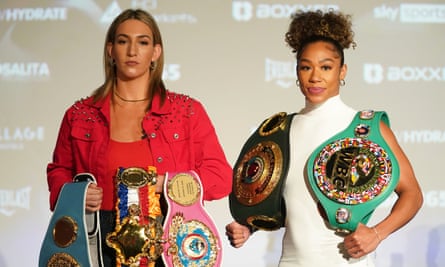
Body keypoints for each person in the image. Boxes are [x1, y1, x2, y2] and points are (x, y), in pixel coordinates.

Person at [225, 9, 423, 266]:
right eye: (306, 67)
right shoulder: (281, 130)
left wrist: (377, 233)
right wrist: (249, 227)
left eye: (326, 67)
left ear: (342, 71)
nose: (315, 77)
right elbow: (289, 206)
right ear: (297, 72)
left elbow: (413, 194)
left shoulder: (366, 126)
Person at [46, 8, 232, 266]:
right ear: (111, 50)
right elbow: (59, 172)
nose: (132, 51)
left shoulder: (187, 111)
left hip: (168, 240)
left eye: (142, 42)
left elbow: (221, 177)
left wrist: (166, 184)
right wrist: (76, 194)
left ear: (155, 52)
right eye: (123, 41)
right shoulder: (79, 114)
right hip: (96, 243)